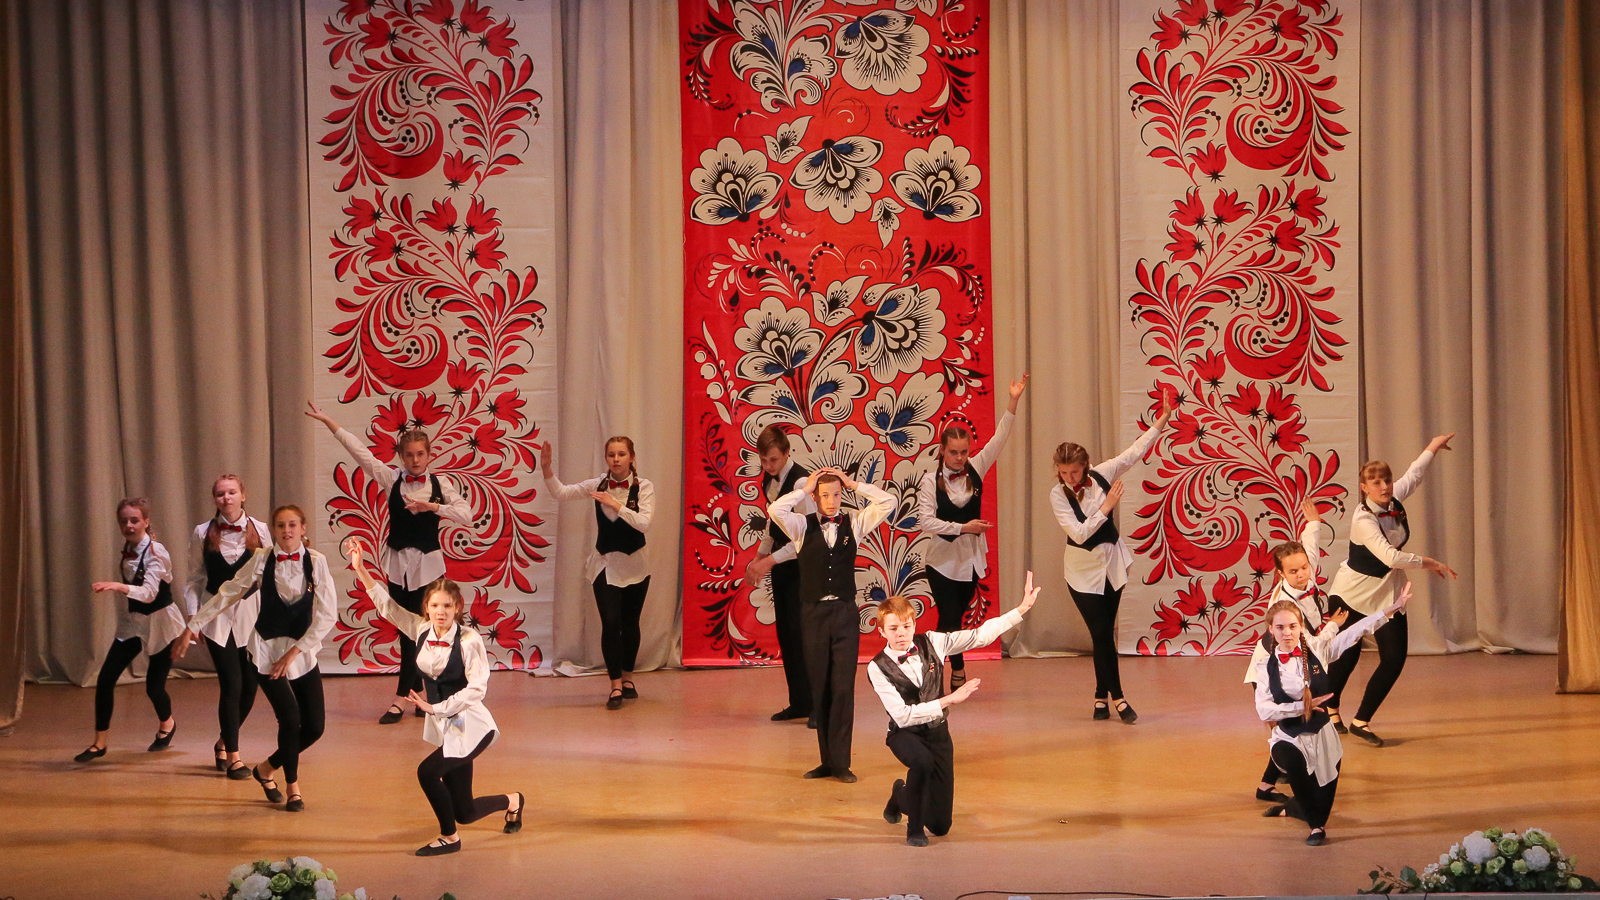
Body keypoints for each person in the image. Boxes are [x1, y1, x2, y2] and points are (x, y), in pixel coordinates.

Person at [347, 541, 524, 856]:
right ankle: (513, 801)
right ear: (426, 608)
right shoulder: (421, 630)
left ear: (457, 607)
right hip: (448, 728)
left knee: (427, 772)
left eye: (447, 606)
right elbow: (387, 606)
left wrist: (435, 707)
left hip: (471, 726)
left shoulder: (469, 640)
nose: (440, 612)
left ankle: (449, 838)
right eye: (434, 605)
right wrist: (360, 568)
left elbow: (477, 688)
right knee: (465, 811)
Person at [305, 401, 472, 724]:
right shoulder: (390, 478)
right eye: (409, 455)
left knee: (421, 632)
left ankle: (400, 698)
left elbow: (466, 514)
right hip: (397, 567)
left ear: (429, 455)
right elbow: (359, 452)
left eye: (420, 454)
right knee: (404, 631)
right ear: (401, 456)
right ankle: (419, 696)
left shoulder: (441, 485)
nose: (415, 460)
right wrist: (329, 422)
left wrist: (433, 507)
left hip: (429, 570)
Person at [174, 505, 336, 813]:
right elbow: (227, 593)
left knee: (315, 727)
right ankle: (293, 788)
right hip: (266, 652)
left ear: (303, 528)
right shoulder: (262, 559)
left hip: (300, 652)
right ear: (273, 531)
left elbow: (328, 615)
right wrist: (192, 625)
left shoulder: (316, 562)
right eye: (281, 525)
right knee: (290, 719)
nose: (287, 530)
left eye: (292, 525)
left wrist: (295, 652)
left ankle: (266, 768)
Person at [869, 571, 1040, 846]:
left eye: (906, 626)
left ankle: (900, 795)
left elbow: (978, 636)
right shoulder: (877, 667)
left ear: (914, 624)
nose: (901, 633)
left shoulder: (933, 642)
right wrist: (949, 700)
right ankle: (914, 829)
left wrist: (1020, 610)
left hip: (938, 734)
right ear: (881, 631)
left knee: (940, 826)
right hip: (904, 733)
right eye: (893, 628)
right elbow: (902, 715)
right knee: (921, 762)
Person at [1324, 435, 1458, 746]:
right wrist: (1431, 562)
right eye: (1376, 482)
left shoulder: (1393, 500)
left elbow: (1415, 474)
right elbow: (1391, 558)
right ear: (1364, 487)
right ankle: (1330, 709)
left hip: (1386, 594)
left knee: (1394, 658)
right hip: (1352, 595)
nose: (1384, 486)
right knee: (1346, 656)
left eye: (1386, 480)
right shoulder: (1364, 519)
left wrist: (1433, 446)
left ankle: (1361, 720)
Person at [1050, 389, 1174, 723]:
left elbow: (1134, 452)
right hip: (1082, 573)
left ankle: (1099, 697)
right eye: (1064, 473)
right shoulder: (1057, 495)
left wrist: (1162, 419)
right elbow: (1079, 533)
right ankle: (1118, 698)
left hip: (1112, 566)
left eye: (1075, 472)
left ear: (1085, 466)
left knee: (1104, 634)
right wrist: (1105, 508)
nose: (1070, 478)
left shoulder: (1103, 473)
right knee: (1101, 633)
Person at [1254, 585, 1412, 845]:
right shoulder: (1264, 667)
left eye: (1292, 626)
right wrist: (1301, 707)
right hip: (1288, 737)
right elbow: (1264, 709)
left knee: (1321, 802)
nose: (1287, 632)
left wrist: (1392, 609)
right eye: (1280, 627)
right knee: (1295, 769)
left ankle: (1292, 809)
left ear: (1301, 627)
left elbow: (1356, 631)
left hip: (1323, 736)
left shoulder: (1318, 651)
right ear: (1271, 629)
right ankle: (1316, 828)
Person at [768, 466, 896, 782]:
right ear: (815, 497)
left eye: (837, 495)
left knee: (842, 688)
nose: (832, 501)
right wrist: (804, 489)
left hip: (844, 614)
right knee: (820, 687)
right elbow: (775, 510)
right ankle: (827, 761)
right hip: (813, 615)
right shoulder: (801, 525)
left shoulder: (854, 522)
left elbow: (888, 502)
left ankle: (841, 763)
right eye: (825, 495)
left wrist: (853, 484)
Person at [916, 375, 1027, 690]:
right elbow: (926, 522)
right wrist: (964, 528)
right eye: (954, 452)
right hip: (941, 562)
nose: (960, 458)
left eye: (964, 452)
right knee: (949, 618)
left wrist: (1013, 401)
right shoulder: (929, 481)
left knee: (956, 619)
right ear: (942, 450)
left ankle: (945, 668)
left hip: (971, 563)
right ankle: (945, 673)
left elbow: (1000, 437)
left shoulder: (976, 467)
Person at [540, 436, 655, 710]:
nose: (616, 459)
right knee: (611, 622)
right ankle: (615, 684)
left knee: (630, 624)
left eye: (621, 454)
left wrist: (615, 504)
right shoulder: (598, 484)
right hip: (605, 563)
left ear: (632, 457)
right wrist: (547, 470)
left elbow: (644, 523)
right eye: (611, 454)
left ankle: (628, 678)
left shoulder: (644, 486)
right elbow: (562, 493)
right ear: (606, 458)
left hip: (636, 566)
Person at [1244, 499, 1345, 804]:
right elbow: (1306, 643)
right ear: (1280, 574)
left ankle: (1266, 786)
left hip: (1296, 662)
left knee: (1297, 727)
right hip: (1273, 666)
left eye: (1304, 568)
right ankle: (1303, 787)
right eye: (1294, 571)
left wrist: (1313, 523)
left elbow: (1309, 549)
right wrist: (1334, 626)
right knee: (1292, 729)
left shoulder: (1304, 573)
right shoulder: (1284, 604)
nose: (1302, 574)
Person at [75, 498, 186, 763]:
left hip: (161, 624)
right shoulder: (129, 548)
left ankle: (168, 723)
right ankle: (99, 743)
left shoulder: (157, 552)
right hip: (134, 622)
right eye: (123, 521)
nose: (129, 525)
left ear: (146, 522)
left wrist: (118, 586)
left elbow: (149, 593)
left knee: (154, 687)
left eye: (134, 520)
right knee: (105, 679)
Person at [183, 475, 272, 779]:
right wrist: (194, 618)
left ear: (242, 495)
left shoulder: (260, 529)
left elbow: (270, 575)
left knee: (250, 686)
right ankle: (234, 757)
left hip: (252, 616)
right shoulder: (202, 532)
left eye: (232, 492)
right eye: (220, 494)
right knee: (231, 684)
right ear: (215, 499)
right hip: (217, 618)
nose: (226, 498)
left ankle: (223, 741)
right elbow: (195, 579)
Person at [743, 425, 813, 724]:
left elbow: (806, 537)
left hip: (804, 567)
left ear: (786, 453)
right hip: (783, 565)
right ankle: (799, 701)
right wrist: (759, 556)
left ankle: (818, 706)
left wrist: (768, 561)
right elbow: (774, 525)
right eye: (763, 460)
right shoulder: (769, 480)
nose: (768, 466)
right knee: (787, 634)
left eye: (773, 460)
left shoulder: (801, 483)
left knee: (806, 636)